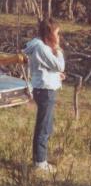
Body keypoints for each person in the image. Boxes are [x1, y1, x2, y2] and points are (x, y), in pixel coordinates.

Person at [23, 19, 65, 171]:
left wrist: (56, 75)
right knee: (43, 127)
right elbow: (60, 65)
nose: (59, 37)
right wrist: (58, 49)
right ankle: (40, 162)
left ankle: (41, 159)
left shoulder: (39, 46)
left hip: (44, 87)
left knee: (46, 125)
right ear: (49, 33)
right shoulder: (42, 47)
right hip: (45, 90)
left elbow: (43, 68)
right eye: (57, 33)